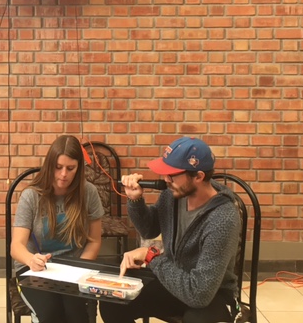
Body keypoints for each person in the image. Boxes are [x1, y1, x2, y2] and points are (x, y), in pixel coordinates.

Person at [100, 136, 241, 323]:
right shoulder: (172, 195)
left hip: (211, 294)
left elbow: (199, 294)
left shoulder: (223, 218)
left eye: (172, 175)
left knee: (196, 320)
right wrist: (135, 200)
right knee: (113, 300)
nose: (165, 179)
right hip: (174, 280)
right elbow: (149, 230)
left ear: (198, 176)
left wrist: (151, 257)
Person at [11, 135, 105, 323]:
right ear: (49, 166)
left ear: (79, 168)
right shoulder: (31, 196)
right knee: (51, 314)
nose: (63, 174)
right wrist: (31, 260)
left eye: (70, 168)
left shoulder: (88, 192)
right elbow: (16, 246)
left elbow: (94, 241)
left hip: (73, 269)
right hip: (34, 269)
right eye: (58, 167)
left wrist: (79, 268)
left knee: (77, 315)